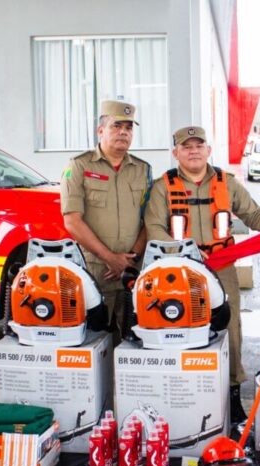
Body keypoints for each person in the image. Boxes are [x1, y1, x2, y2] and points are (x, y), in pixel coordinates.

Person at [144, 126, 260, 421]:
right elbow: (154, 228)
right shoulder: (163, 186)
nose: (193, 150)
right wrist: (183, 252)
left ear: (208, 150)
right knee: (179, 327)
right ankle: (187, 391)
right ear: (175, 152)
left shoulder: (227, 183)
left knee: (231, 329)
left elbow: (255, 216)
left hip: (223, 267)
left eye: (198, 145)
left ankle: (233, 392)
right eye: (186, 146)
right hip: (179, 270)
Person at [60, 100, 152, 338]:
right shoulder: (78, 166)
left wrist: (130, 258)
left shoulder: (143, 169)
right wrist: (110, 258)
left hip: (132, 271)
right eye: (116, 125)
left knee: (133, 339)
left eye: (129, 127)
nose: (123, 132)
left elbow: (150, 219)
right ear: (100, 130)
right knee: (92, 338)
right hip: (94, 270)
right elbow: (72, 221)